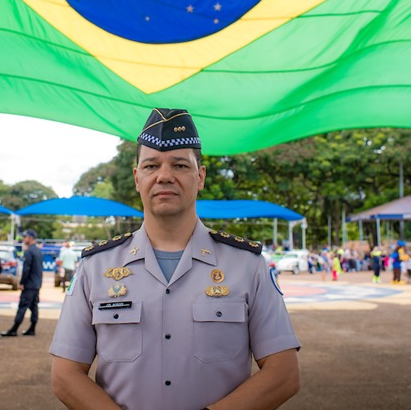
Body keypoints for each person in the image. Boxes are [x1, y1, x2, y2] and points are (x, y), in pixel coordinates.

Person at [50, 108, 301, 410]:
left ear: (200, 176)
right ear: (137, 178)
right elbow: (65, 375)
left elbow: (284, 373)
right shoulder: (96, 267)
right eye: (151, 165)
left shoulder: (247, 266)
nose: (164, 176)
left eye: (180, 165)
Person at [2, 229, 43, 337]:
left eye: (25, 237)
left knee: (23, 306)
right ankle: (32, 328)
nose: (23, 239)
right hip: (36, 284)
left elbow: (26, 270)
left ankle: (14, 329)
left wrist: (22, 283)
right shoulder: (38, 251)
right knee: (34, 306)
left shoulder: (29, 251)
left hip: (29, 284)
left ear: (30, 238)